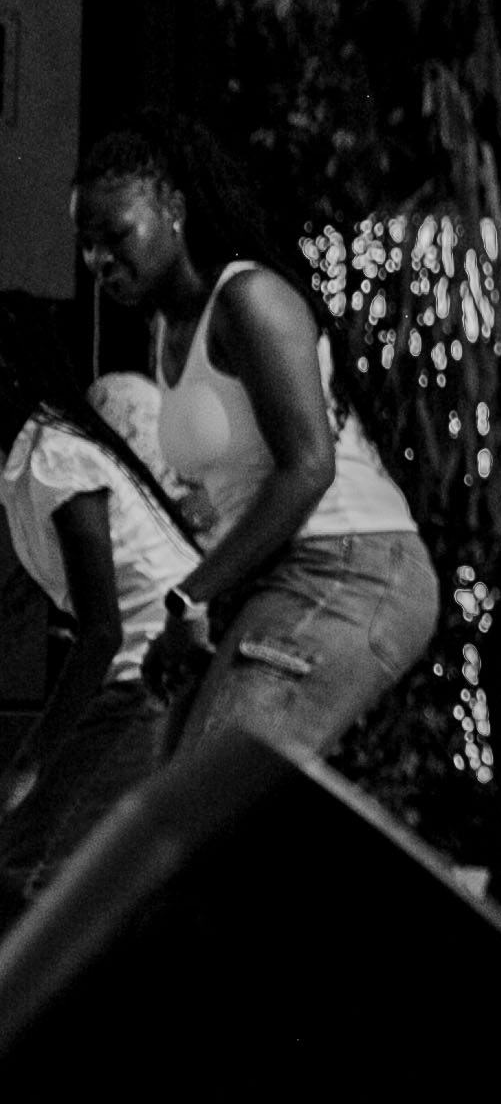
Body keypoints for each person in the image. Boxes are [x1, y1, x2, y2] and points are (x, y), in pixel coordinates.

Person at [71, 115, 437, 760]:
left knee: (209, 787)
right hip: (277, 576)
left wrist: (190, 598)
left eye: (116, 235)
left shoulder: (249, 299)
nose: (100, 260)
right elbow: (231, 491)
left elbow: (309, 468)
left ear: (173, 210)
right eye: (87, 244)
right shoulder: (168, 332)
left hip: (352, 562)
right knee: (173, 782)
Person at [0, 335, 197, 897]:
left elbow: (102, 632)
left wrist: (30, 761)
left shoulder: (56, 457)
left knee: (30, 864)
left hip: (150, 671)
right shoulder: (31, 459)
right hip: (141, 672)